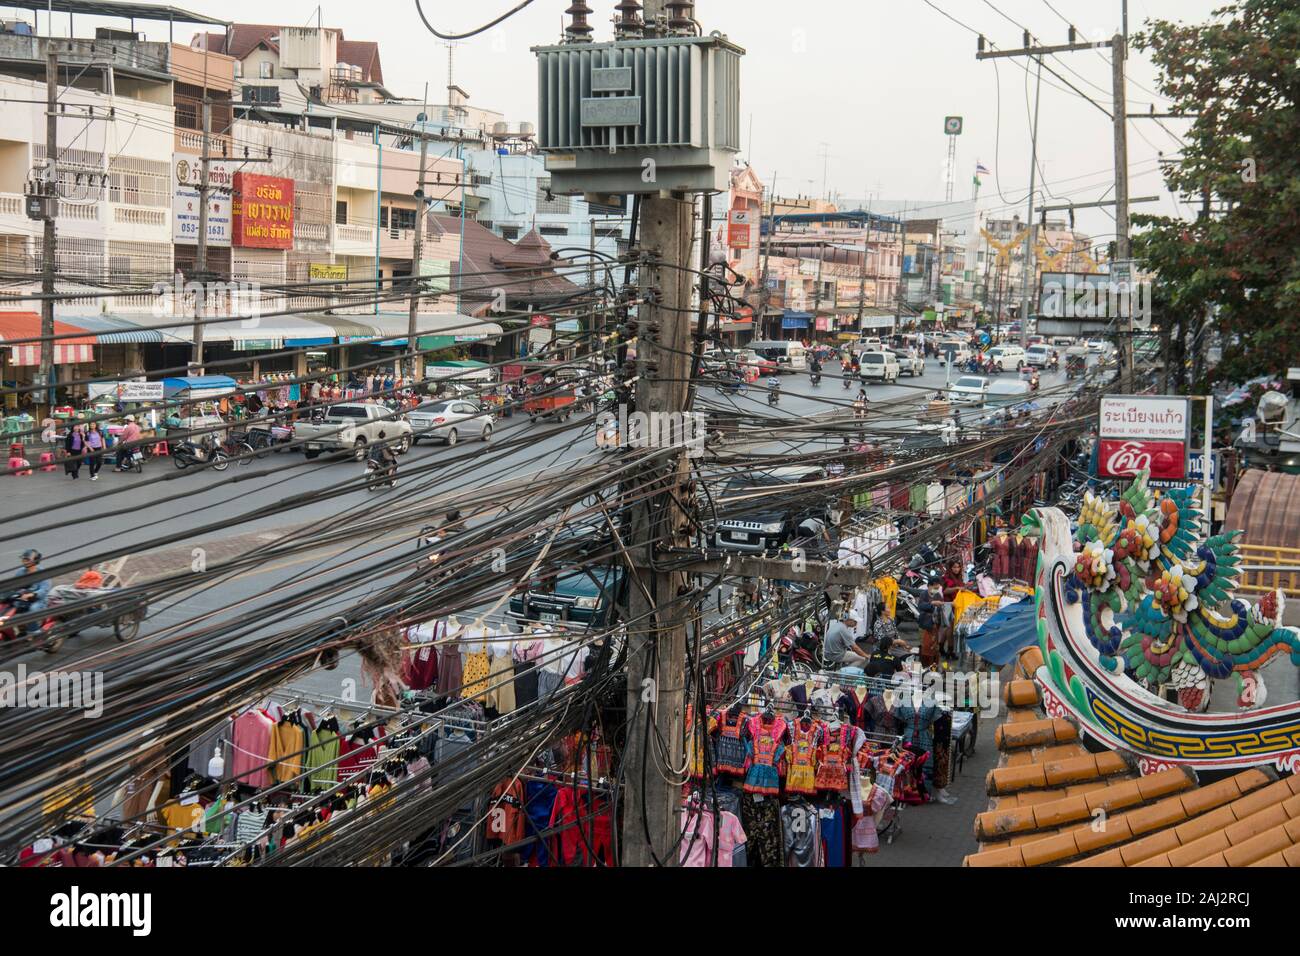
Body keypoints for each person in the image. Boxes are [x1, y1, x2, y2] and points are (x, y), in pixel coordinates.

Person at [9, 549, 51, 635]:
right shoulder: (21, 571)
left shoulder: (42, 573)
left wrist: (32, 594)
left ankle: (34, 632)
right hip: (23, 598)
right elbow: (13, 585)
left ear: (35, 561)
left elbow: (44, 589)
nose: (24, 561)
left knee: (33, 609)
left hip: (39, 600)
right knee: (9, 607)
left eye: (27, 559)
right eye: (23, 559)